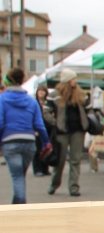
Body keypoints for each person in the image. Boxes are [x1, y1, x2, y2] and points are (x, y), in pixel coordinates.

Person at [0, 67, 50, 203]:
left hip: (10, 142)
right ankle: (17, 203)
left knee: (17, 176)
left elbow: (0, 122)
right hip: (29, 143)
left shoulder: (2, 99)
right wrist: (46, 142)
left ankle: (20, 205)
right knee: (20, 176)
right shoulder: (31, 101)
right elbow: (40, 125)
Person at [48, 69, 90, 197]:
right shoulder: (55, 94)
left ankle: (74, 187)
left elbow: (89, 109)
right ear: (67, 80)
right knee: (60, 160)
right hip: (61, 131)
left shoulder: (81, 94)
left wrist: (87, 121)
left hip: (78, 130)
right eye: (73, 79)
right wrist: (55, 122)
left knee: (76, 160)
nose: (75, 81)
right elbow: (46, 111)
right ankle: (54, 184)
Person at [32, 84, 56, 176]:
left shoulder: (48, 102)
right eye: (39, 91)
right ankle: (37, 169)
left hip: (48, 127)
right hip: (37, 127)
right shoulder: (34, 103)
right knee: (37, 149)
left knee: (46, 148)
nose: (41, 93)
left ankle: (45, 168)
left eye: (43, 91)